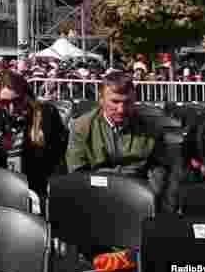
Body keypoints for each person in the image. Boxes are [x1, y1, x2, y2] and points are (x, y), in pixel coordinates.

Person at [67, 70, 171, 211]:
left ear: (135, 100)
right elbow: (77, 172)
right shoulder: (81, 127)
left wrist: (148, 199)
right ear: (101, 100)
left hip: (137, 197)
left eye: (127, 102)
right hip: (94, 195)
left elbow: (159, 170)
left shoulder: (151, 130)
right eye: (115, 102)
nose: (121, 109)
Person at [0, 70, 68, 201]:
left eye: (17, 101)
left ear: (26, 96)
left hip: (37, 188)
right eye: (5, 102)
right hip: (0, 187)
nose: (11, 108)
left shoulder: (46, 114)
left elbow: (57, 158)